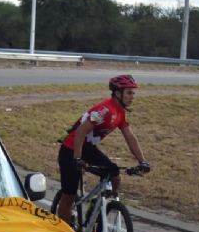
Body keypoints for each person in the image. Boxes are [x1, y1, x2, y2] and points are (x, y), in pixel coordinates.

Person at [56, 74, 150, 224]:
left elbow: (129, 136)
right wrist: (77, 159)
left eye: (133, 93)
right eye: (129, 92)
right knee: (69, 196)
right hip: (71, 149)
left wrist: (142, 161)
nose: (132, 96)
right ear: (118, 93)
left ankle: (97, 204)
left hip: (88, 148)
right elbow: (81, 131)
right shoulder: (104, 110)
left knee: (114, 175)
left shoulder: (120, 112)